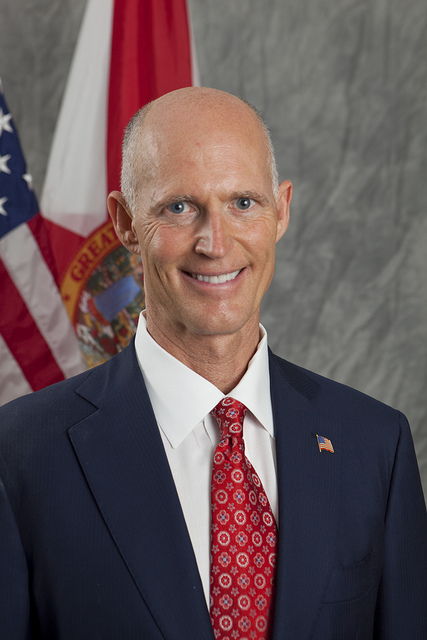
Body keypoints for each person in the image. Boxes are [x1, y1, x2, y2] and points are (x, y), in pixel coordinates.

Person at [0, 87, 426, 640]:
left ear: (282, 210)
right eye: (179, 207)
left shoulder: (375, 445)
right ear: (125, 222)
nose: (215, 242)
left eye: (243, 203)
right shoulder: (20, 454)